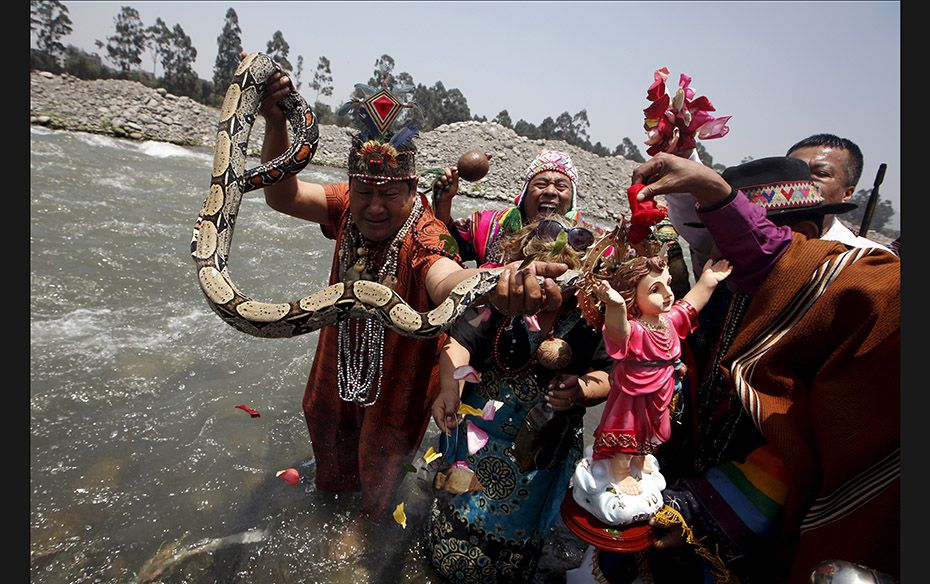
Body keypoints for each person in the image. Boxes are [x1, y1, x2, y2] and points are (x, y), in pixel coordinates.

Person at [254, 68, 570, 530]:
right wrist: (275, 122)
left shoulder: (426, 234)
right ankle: (331, 502)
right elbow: (282, 196)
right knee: (323, 422)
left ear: (411, 189)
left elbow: (448, 279)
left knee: (383, 452)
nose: (374, 207)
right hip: (336, 357)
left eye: (389, 195)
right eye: (365, 192)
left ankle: (367, 528)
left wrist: (496, 281)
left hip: (399, 379)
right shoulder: (346, 204)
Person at [614, 154, 900, 583]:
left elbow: (803, 435)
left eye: (740, 235)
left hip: (752, 531)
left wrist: (703, 508)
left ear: (803, 238)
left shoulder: (842, 301)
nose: (715, 254)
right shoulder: (728, 292)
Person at [426, 214, 614, 583]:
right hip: (476, 444)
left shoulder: (590, 319)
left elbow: (608, 376)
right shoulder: (495, 304)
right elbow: (459, 345)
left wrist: (581, 390)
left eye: (557, 282)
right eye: (535, 279)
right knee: (455, 513)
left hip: (539, 455)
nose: (542, 291)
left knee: (517, 547)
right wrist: (449, 390)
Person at [588, 249, 731, 497]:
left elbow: (690, 305)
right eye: (655, 290)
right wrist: (616, 306)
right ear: (633, 297)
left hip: (664, 388)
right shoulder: (635, 329)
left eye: (667, 284)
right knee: (630, 428)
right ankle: (620, 470)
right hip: (635, 392)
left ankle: (641, 458)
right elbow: (616, 332)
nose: (667, 294)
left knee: (656, 427)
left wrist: (707, 281)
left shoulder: (668, 320)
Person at [433, 149, 588, 267]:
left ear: (572, 200)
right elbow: (444, 249)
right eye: (541, 184)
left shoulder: (590, 244)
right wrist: (444, 203)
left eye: (561, 186)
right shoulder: (489, 225)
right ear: (524, 194)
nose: (550, 191)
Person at [786, 133, 893, 251]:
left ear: (847, 194)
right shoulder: (763, 243)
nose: (801, 182)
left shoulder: (870, 258)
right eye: (793, 171)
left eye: (821, 174)